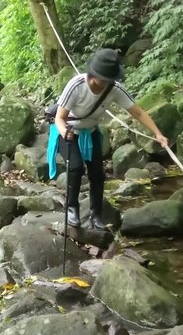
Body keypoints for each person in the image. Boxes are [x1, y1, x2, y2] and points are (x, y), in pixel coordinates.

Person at [47, 48, 170, 230]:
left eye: (109, 79)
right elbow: (59, 117)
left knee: (97, 173)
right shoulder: (76, 85)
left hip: (91, 130)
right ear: (93, 74)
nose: (106, 83)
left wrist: (158, 134)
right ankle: (72, 208)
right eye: (103, 79)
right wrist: (65, 131)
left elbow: (137, 112)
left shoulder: (114, 89)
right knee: (75, 167)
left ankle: (96, 215)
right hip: (68, 130)